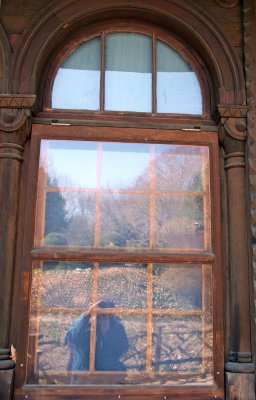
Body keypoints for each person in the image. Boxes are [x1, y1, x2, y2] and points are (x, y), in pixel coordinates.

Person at [65, 300, 129, 372]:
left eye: (104, 314)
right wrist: (86, 317)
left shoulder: (115, 326)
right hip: (83, 373)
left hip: (108, 373)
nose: (100, 318)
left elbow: (122, 348)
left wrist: (106, 333)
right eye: (97, 315)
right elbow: (71, 341)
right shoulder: (82, 324)